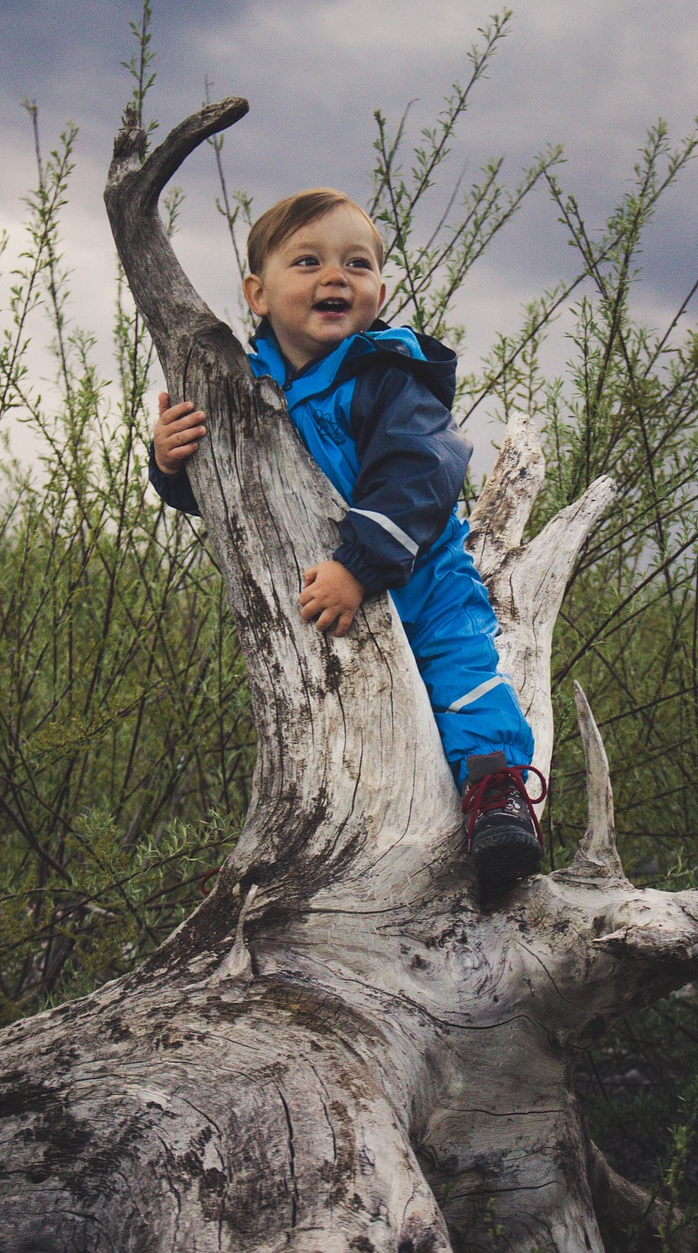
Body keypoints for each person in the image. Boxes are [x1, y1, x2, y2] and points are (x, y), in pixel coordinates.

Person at [149, 188, 546, 889]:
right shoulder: (242, 384)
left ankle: (498, 800)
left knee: (459, 676)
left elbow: (420, 475)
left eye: (356, 264)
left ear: (379, 289)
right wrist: (171, 464)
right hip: (319, 590)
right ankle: (316, 840)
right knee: (326, 719)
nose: (336, 276)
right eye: (308, 261)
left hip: (419, 579)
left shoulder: (387, 377)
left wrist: (359, 566)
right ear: (258, 294)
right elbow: (230, 489)